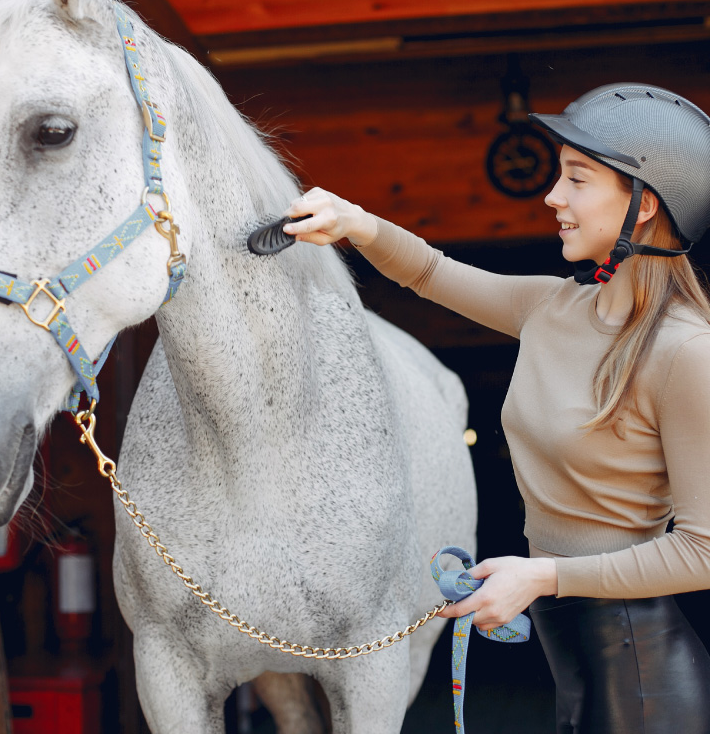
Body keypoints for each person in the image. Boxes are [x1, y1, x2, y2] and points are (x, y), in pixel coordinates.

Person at [282, 83, 710, 733]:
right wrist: (354, 222)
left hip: (644, 679)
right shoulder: (552, 308)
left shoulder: (686, 353)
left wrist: (540, 576)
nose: (553, 197)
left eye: (578, 179)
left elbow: (703, 553)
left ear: (643, 205)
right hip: (577, 660)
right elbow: (428, 272)